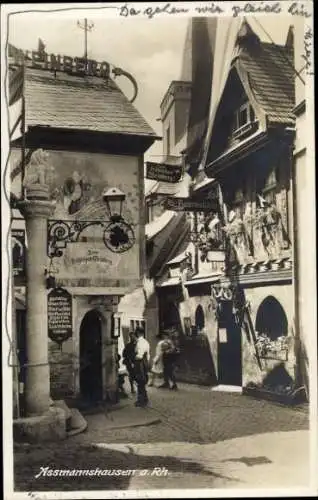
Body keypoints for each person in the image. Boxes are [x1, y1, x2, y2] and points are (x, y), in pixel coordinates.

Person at [134, 326, 150, 407]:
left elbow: (140, 355)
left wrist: (134, 358)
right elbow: (148, 356)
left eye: (136, 332)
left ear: (138, 333)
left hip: (140, 363)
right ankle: (144, 399)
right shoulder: (146, 342)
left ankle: (142, 401)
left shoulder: (140, 342)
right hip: (144, 363)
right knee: (142, 382)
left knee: (140, 382)